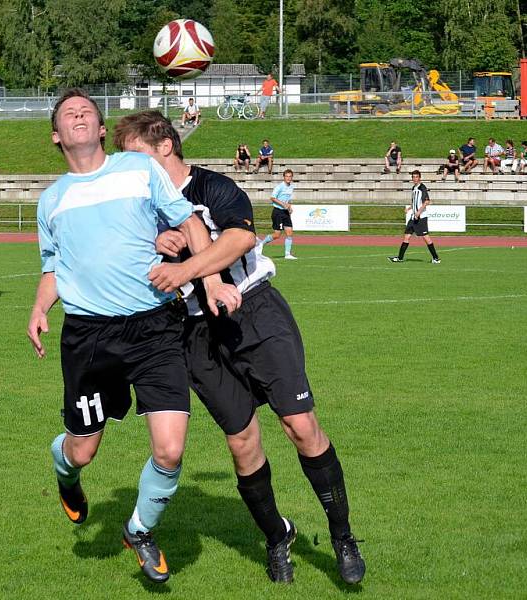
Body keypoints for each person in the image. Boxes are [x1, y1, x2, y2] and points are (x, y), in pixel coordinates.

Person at [113, 110, 366, 586]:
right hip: (194, 334)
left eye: (134, 156)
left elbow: (240, 237)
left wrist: (190, 270)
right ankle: (277, 537)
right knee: (242, 444)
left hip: (254, 311)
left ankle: (343, 536)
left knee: (301, 426)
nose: (128, 168)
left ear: (165, 145)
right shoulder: (139, 205)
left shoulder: (212, 186)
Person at [27, 89, 240, 585]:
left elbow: (186, 221)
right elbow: (53, 266)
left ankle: (140, 528)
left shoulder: (139, 170)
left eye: (87, 111)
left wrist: (207, 278)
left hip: (153, 328)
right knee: (82, 450)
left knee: (170, 450)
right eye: (68, 114)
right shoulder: (51, 200)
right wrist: (39, 307)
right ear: (58, 136)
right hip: (88, 336)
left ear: (101, 130)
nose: (79, 115)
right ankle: (66, 476)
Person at [388, 170, 441, 264]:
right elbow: (415, 202)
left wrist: (419, 212)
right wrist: (409, 208)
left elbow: (427, 201)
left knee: (426, 238)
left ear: (419, 178)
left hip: (421, 217)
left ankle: (436, 258)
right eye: (413, 177)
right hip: (413, 218)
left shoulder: (422, 188)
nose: (415, 179)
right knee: (406, 237)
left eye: (416, 177)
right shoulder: (414, 188)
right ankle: (400, 258)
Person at [259, 169, 297, 259]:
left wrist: (289, 207)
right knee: (277, 235)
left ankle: (287, 254)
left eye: (290, 176)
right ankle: (261, 244)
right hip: (278, 212)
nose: (288, 178)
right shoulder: (279, 187)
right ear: (284, 177)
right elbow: (272, 198)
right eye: (287, 176)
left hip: (285, 212)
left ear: (292, 177)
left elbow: (288, 199)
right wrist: (283, 204)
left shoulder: (291, 186)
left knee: (289, 233)